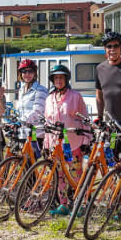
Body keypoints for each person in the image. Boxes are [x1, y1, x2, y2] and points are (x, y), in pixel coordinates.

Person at [44, 64, 89, 215]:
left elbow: (85, 119)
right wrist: (46, 144)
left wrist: (86, 141)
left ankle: (80, 204)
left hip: (74, 142)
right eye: (56, 78)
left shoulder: (76, 96)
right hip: (56, 144)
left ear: (66, 79)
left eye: (61, 77)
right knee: (60, 175)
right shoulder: (49, 98)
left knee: (76, 174)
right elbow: (47, 123)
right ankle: (63, 204)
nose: (59, 80)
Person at [14, 59, 47, 134]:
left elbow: (37, 111)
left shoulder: (41, 90)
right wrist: (15, 120)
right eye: (24, 71)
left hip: (36, 133)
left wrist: (21, 121)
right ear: (20, 74)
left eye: (30, 71)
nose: (27, 74)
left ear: (35, 73)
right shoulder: (21, 90)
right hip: (22, 133)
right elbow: (20, 111)